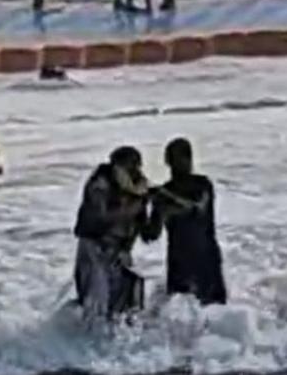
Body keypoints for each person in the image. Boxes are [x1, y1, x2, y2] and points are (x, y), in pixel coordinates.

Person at [73, 146, 153, 322]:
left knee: (126, 310)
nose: (134, 171)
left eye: (137, 167)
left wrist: (160, 210)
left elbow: (148, 234)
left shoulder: (138, 189)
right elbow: (100, 219)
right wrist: (135, 205)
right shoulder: (100, 185)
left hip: (119, 254)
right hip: (94, 250)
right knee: (95, 306)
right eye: (129, 167)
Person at [145, 138, 227, 305]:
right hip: (179, 261)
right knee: (182, 314)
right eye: (174, 160)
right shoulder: (164, 192)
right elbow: (152, 234)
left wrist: (164, 201)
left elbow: (196, 209)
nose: (178, 165)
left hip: (205, 259)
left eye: (180, 159)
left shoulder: (202, 185)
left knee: (213, 310)